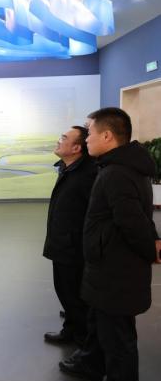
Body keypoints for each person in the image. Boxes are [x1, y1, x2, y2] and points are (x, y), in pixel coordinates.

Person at [59, 107, 161, 380]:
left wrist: (150, 248)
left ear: (106, 136)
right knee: (102, 328)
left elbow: (133, 222)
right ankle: (92, 364)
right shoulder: (121, 168)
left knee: (118, 343)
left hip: (115, 272)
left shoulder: (116, 173)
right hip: (109, 268)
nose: (86, 139)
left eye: (89, 133)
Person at [43, 126, 97, 346]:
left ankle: (84, 344)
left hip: (74, 247)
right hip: (62, 243)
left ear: (76, 148)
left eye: (64, 138)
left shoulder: (88, 175)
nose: (59, 140)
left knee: (74, 296)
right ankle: (71, 330)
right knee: (65, 292)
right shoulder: (68, 168)